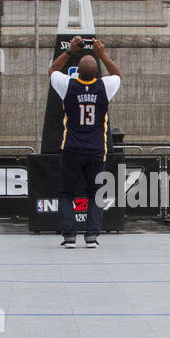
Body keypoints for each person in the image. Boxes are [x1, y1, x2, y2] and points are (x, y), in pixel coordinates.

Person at [49, 35, 122, 248]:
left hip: (71, 148)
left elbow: (53, 71)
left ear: (77, 72)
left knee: (66, 193)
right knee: (94, 194)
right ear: (97, 72)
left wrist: (70, 51)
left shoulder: (68, 85)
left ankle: (69, 237)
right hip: (96, 150)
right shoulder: (104, 87)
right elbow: (117, 74)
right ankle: (91, 237)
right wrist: (102, 54)